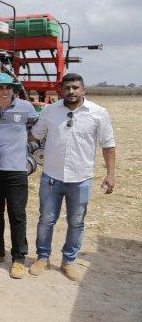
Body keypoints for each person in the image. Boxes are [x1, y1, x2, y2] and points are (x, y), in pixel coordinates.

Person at [29, 73, 115, 281]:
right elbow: (34, 135)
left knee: (76, 222)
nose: (71, 91)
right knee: (46, 220)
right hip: (51, 177)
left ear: (83, 90)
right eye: (67, 88)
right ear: (61, 91)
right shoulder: (50, 111)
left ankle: (68, 261)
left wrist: (111, 174)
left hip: (81, 178)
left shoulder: (98, 113)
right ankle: (42, 257)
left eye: (76, 87)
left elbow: (108, 144)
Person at [0, 73, 38, 279]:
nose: (4, 91)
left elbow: (38, 129)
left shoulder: (26, 108)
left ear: (13, 89)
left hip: (16, 170)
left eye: (8, 87)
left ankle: (19, 258)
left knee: (17, 214)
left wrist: (28, 144)